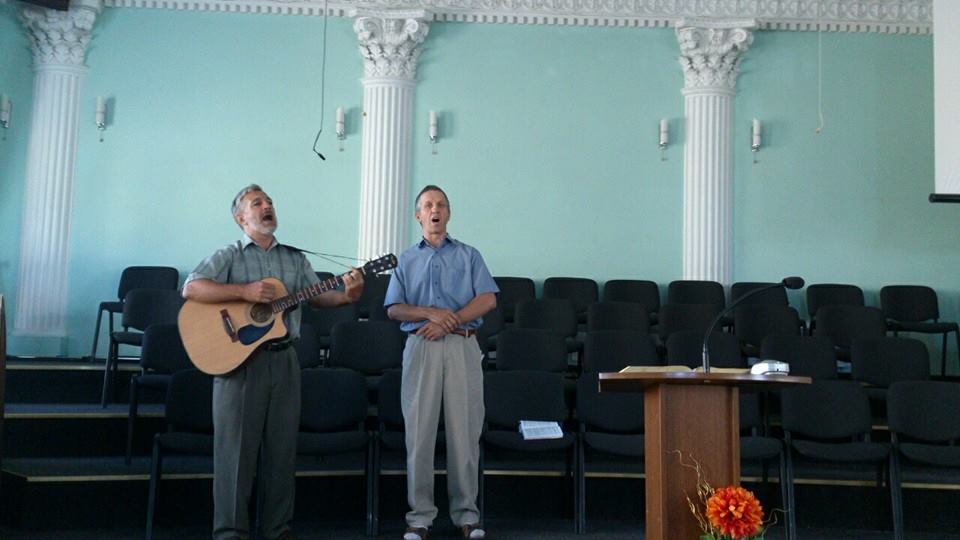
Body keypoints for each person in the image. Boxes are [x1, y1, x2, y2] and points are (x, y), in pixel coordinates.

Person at [183, 184, 363, 540]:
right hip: (239, 365)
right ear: (241, 218)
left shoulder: (295, 259)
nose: (267, 206)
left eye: (269, 202)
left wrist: (347, 297)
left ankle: (278, 530)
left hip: (285, 362)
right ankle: (231, 532)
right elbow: (192, 288)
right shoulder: (230, 256)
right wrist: (244, 292)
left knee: (282, 454)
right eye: (257, 203)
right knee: (236, 456)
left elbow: (318, 297)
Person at [384, 185, 498, 540]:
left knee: (465, 431)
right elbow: (394, 308)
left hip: (462, 345)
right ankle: (419, 518)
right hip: (420, 347)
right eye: (428, 205)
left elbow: (487, 300)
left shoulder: (469, 255)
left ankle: (467, 514)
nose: (435, 210)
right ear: (418, 215)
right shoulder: (405, 259)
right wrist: (429, 314)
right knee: (419, 433)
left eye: (442, 205)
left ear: (448, 214)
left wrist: (451, 320)